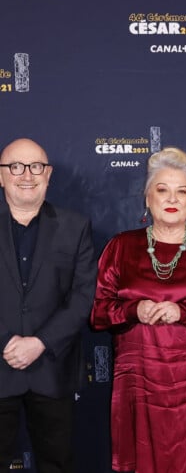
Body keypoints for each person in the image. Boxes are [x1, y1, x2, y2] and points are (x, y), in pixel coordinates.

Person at [91, 147, 186, 473]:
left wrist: (185, 313)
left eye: (182, 191)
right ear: (147, 198)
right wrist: (136, 309)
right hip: (139, 381)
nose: (171, 198)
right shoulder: (120, 246)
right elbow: (100, 311)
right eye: (162, 190)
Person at [0, 138, 96, 473]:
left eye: (36, 166)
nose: (26, 175)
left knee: (58, 464)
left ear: (49, 173)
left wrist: (40, 342)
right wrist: (7, 342)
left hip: (52, 369)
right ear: (1, 176)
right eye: (15, 166)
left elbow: (84, 295)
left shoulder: (75, 226)